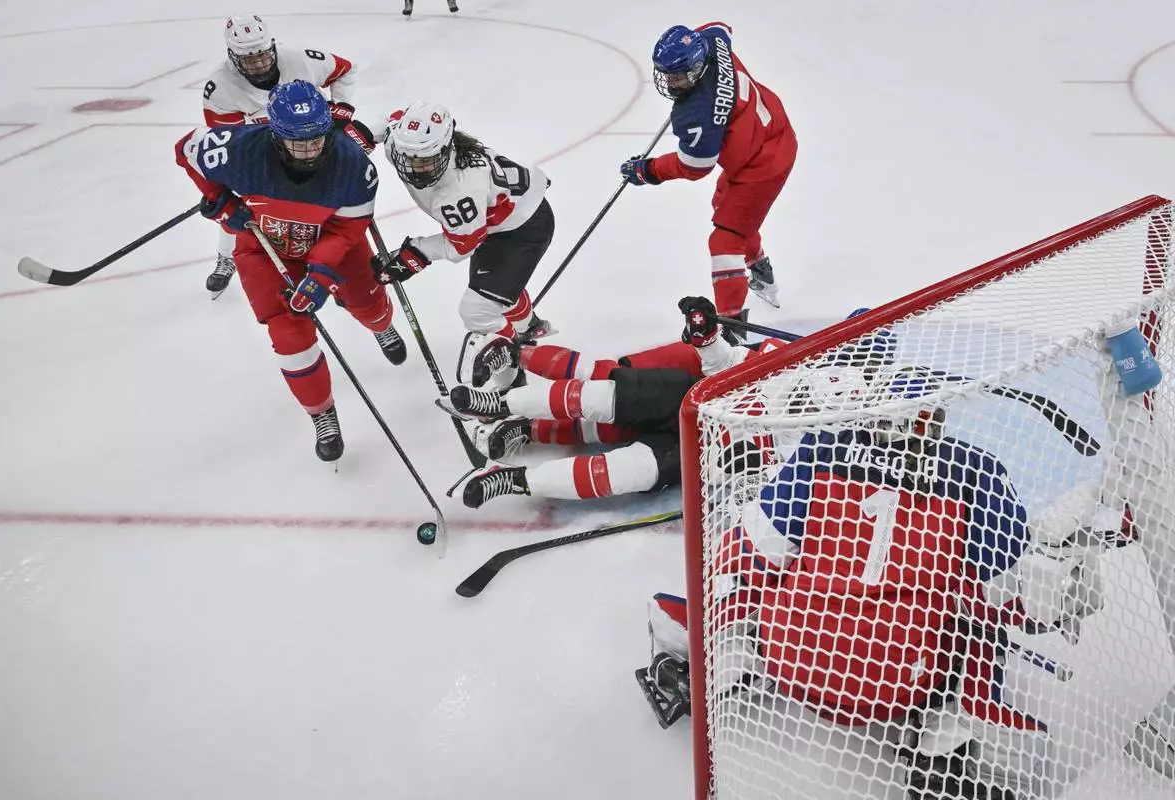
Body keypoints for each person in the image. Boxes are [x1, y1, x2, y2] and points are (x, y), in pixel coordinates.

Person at [633, 368, 1103, 799]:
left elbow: (753, 553)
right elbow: (1003, 595)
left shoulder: (819, 450)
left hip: (794, 659)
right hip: (901, 684)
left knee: (754, 578)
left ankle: (715, 667)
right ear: (935, 420)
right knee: (979, 627)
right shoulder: (977, 471)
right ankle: (944, 752)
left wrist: (717, 606)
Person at [440, 297, 863, 509]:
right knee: (605, 382)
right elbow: (729, 363)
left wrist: (742, 476)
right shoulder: (788, 361)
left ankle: (515, 474)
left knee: (623, 471)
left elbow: (770, 490)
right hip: (687, 395)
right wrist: (707, 336)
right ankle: (501, 396)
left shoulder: (830, 446)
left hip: (702, 450)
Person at [175, 80, 405, 462]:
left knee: (366, 298)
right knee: (288, 333)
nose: (310, 150)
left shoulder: (354, 168)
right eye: (298, 142)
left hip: (330, 242)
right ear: (276, 135)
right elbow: (185, 149)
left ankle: (380, 325)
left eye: (317, 139)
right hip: (264, 246)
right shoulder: (240, 149)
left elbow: (348, 230)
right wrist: (219, 199)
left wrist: (320, 272)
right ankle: (322, 414)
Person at [620, 22, 797, 321]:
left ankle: (732, 325)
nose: (670, 82)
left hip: (763, 164)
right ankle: (760, 269)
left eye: (678, 76)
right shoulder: (712, 42)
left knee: (725, 239)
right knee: (726, 209)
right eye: (666, 74)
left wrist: (647, 170)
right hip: (766, 135)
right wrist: (692, 41)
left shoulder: (697, 114)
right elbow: (721, 27)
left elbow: (695, 166)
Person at [200, 15, 375, 295]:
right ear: (232, 56)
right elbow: (228, 145)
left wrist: (341, 110)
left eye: (262, 55)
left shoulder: (300, 59)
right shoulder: (220, 89)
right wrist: (222, 192)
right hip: (266, 158)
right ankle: (226, 256)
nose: (259, 64)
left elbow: (346, 70)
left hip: (317, 144)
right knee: (240, 204)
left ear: (272, 46)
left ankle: (343, 271)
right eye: (248, 59)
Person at [374, 101, 555, 345]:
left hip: (523, 227)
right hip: (494, 218)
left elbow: (462, 245)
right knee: (492, 288)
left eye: (426, 160)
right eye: (409, 157)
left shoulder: (459, 188)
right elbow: (389, 119)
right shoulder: (402, 143)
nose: (415, 168)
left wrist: (417, 252)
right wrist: (357, 138)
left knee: (478, 310)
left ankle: (518, 356)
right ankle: (527, 326)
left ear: (446, 148)